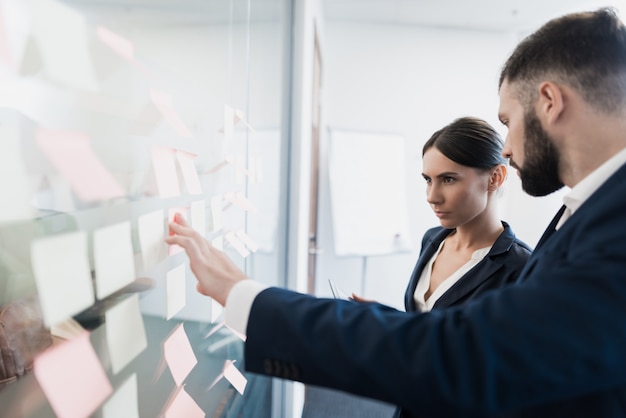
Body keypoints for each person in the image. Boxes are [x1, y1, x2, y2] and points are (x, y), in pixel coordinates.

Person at [166, 8, 626, 417]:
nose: (507, 147)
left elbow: (468, 352)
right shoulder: (591, 209)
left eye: (508, 121)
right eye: (428, 179)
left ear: (549, 101)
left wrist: (244, 295)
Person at [404, 116, 531, 313]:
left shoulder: (521, 266)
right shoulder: (432, 239)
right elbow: (422, 326)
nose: (432, 197)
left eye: (448, 179)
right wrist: (383, 317)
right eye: (428, 180)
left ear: (495, 178)